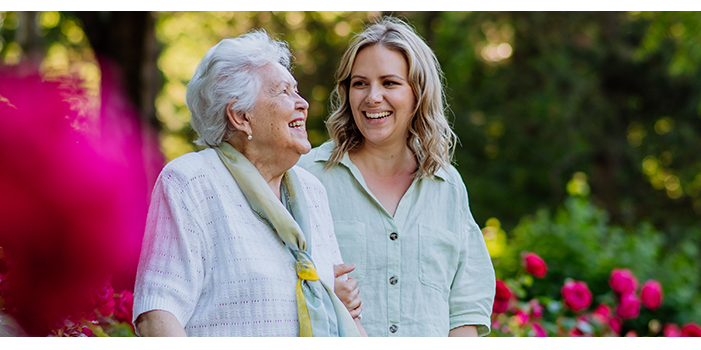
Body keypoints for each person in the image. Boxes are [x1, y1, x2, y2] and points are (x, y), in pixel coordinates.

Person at [132, 29, 365, 337]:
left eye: (297, 91)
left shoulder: (311, 191)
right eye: (284, 92)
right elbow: (157, 314)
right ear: (241, 116)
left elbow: (343, 312)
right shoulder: (191, 182)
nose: (303, 103)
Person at [300, 16, 495, 337]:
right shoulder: (309, 178)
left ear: (418, 93)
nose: (372, 97)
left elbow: (466, 307)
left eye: (389, 83)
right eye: (360, 83)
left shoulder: (447, 186)